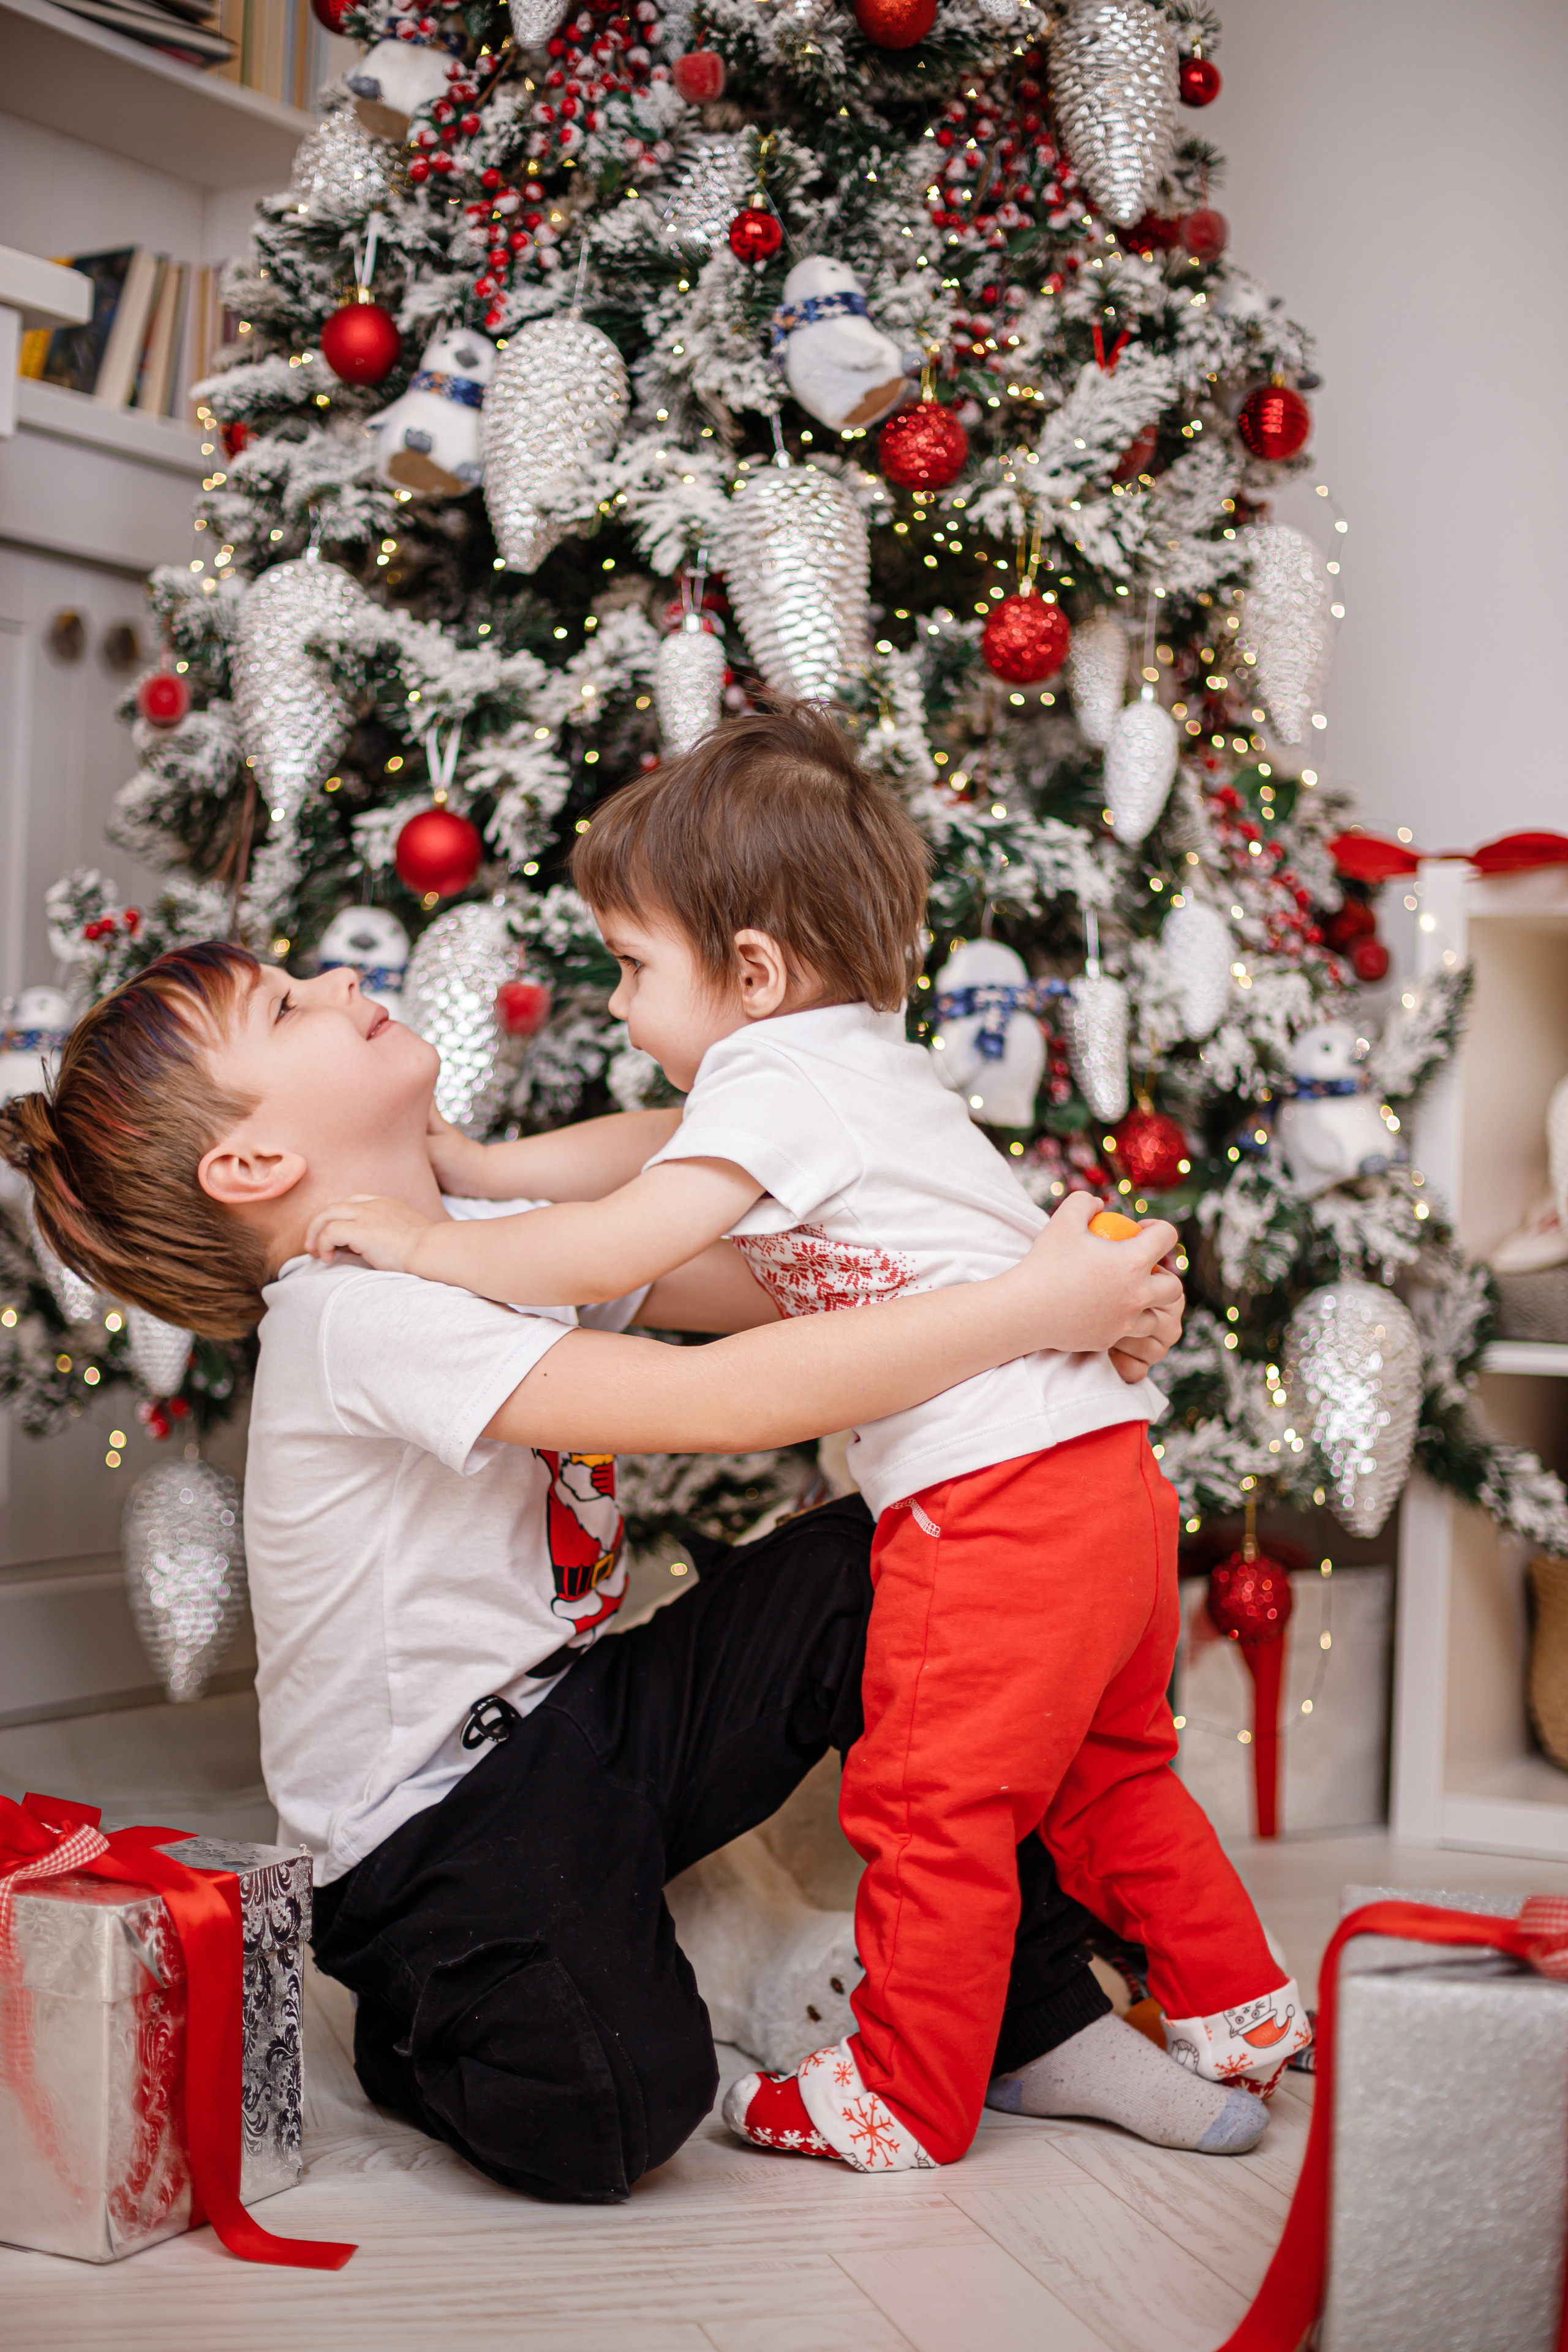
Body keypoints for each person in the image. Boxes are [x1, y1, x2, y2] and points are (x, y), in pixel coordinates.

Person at [0, 938, 1245, 2207]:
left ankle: (1026, 2022)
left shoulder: (480, 1234)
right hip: (437, 1831)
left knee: (909, 1579)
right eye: (286, 1004)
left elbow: (794, 1276)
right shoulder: (352, 1316)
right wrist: (1031, 1308)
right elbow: (723, 1398)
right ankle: (420, 2025)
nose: (332, 983)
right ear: (253, 1164)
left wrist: (1073, 1294)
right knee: (618, 2114)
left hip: (583, 1717)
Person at [303, 708, 1311, 2179]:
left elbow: (635, 1229)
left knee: (932, 1807)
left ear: (753, 972)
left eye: (636, 967)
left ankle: (901, 2094)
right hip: (1099, 1478)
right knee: (1107, 1777)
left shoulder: (777, 1086)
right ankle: (1237, 2008)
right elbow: (647, 1144)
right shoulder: (848, 1064)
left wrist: (425, 1239)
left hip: (993, 1502)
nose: (621, 1000)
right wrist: (480, 1171)